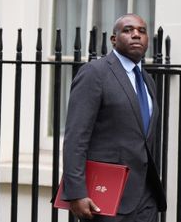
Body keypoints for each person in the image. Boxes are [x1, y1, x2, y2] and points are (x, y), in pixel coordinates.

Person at [62, 13, 167, 222]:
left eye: (142, 31)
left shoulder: (147, 80)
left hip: (146, 200)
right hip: (107, 199)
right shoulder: (95, 73)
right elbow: (76, 137)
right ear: (113, 39)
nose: (136, 35)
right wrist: (76, 192)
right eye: (128, 30)